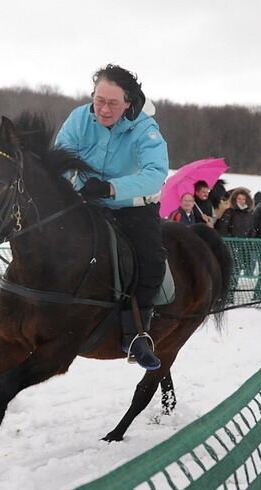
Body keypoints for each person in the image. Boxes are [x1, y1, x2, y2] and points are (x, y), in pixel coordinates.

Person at [54, 64, 168, 370]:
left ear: (128, 102)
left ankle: (136, 334)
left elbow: (156, 175)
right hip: (85, 202)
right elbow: (61, 159)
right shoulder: (79, 117)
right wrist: (65, 187)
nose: (103, 110)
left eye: (112, 103)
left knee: (151, 261)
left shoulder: (146, 129)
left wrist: (111, 187)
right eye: (99, 100)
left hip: (133, 208)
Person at [215, 187, 254, 277]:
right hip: (231, 246)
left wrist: (250, 241)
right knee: (230, 271)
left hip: (244, 247)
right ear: (235, 199)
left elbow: (252, 229)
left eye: (244, 199)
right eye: (239, 199)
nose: (241, 201)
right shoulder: (229, 212)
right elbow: (223, 228)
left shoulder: (248, 213)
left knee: (238, 270)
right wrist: (232, 240)